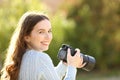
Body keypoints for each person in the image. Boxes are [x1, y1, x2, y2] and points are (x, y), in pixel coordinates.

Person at [0, 11, 85, 80]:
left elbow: (49, 76)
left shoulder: (22, 57)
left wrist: (65, 64)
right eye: (41, 32)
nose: (48, 37)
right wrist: (72, 66)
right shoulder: (39, 57)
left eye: (49, 31)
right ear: (26, 37)